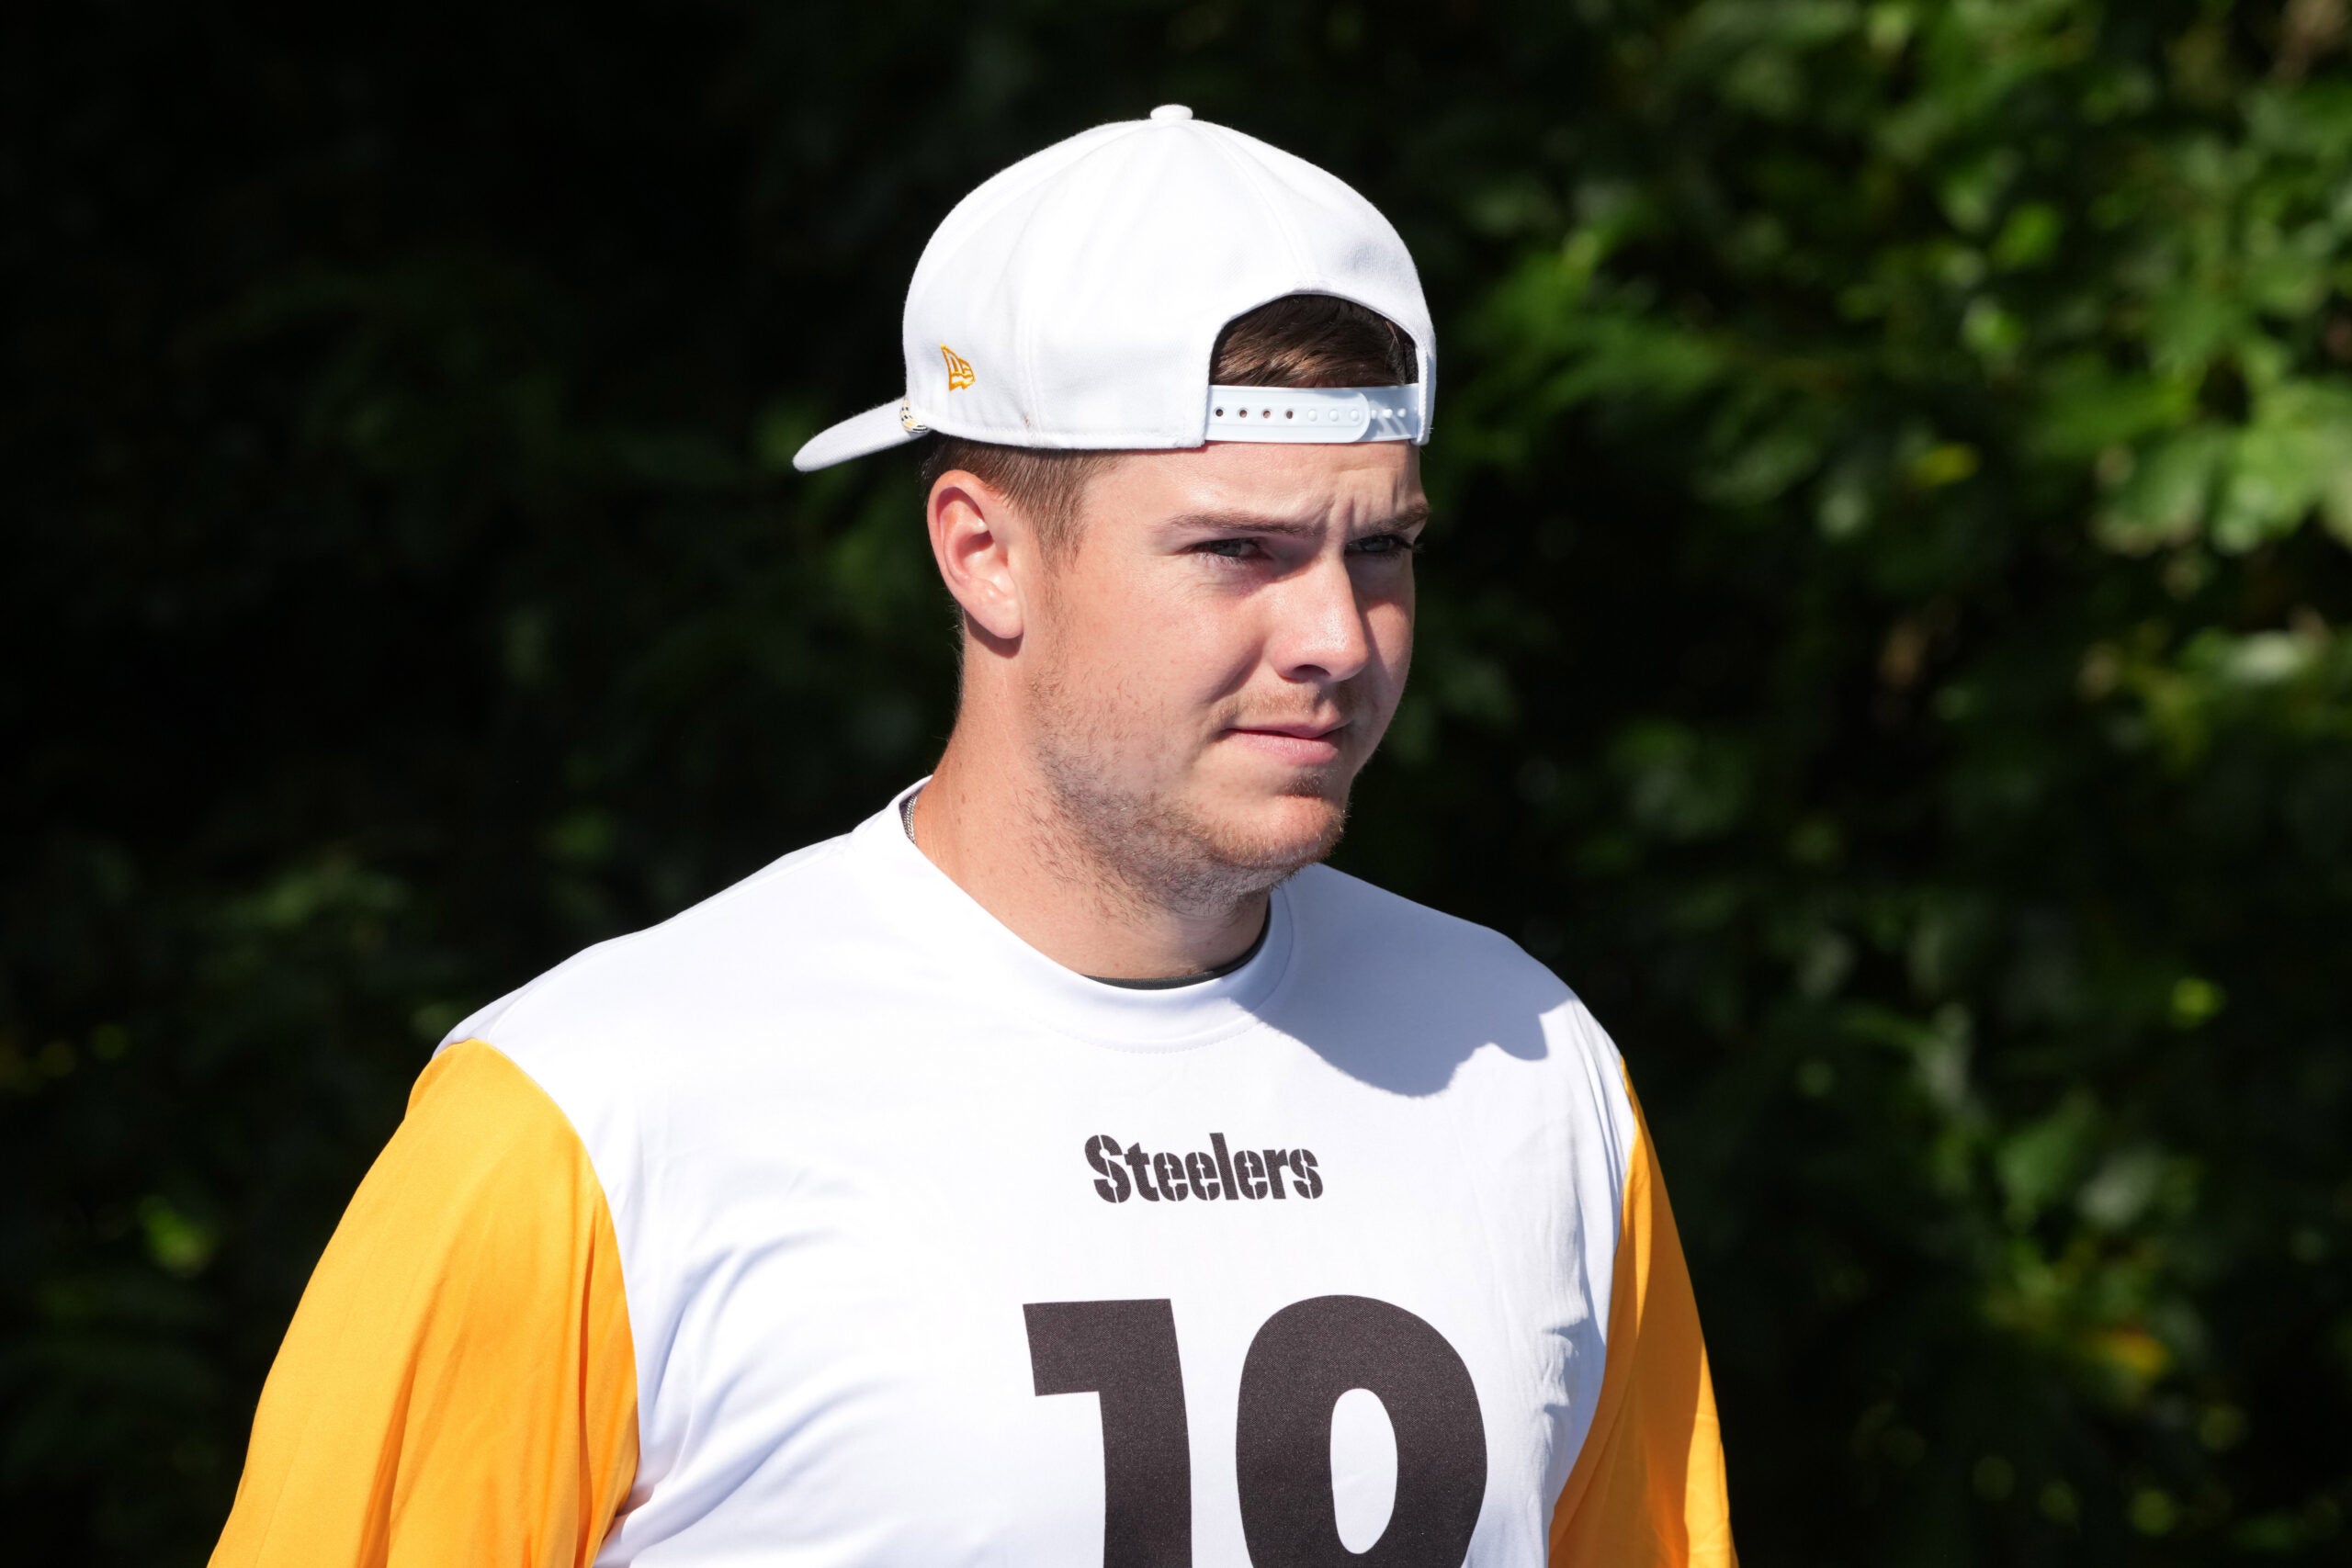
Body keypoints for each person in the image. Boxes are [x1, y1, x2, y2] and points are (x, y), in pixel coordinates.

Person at [210, 106, 1734, 1567]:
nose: (1339, 634)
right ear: (983, 553)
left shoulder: (1535, 1069)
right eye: (1237, 551)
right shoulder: (596, 1117)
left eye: (1382, 547)